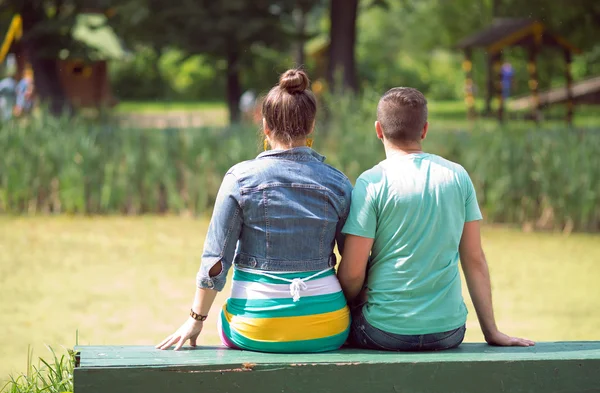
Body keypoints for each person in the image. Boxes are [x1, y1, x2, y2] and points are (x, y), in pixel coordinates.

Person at [157, 69, 353, 353]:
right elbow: (353, 261)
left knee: (230, 320)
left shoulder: (239, 179)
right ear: (311, 126)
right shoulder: (339, 183)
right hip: (329, 327)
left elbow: (216, 259)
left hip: (255, 328)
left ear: (265, 125)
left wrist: (195, 319)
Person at [337, 87, 535, 351]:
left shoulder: (371, 182)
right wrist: (492, 331)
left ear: (378, 130)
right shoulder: (458, 176)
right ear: (425, 130)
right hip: (448, 332)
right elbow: (474, 260)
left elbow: (352, 274)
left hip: (383, 331)